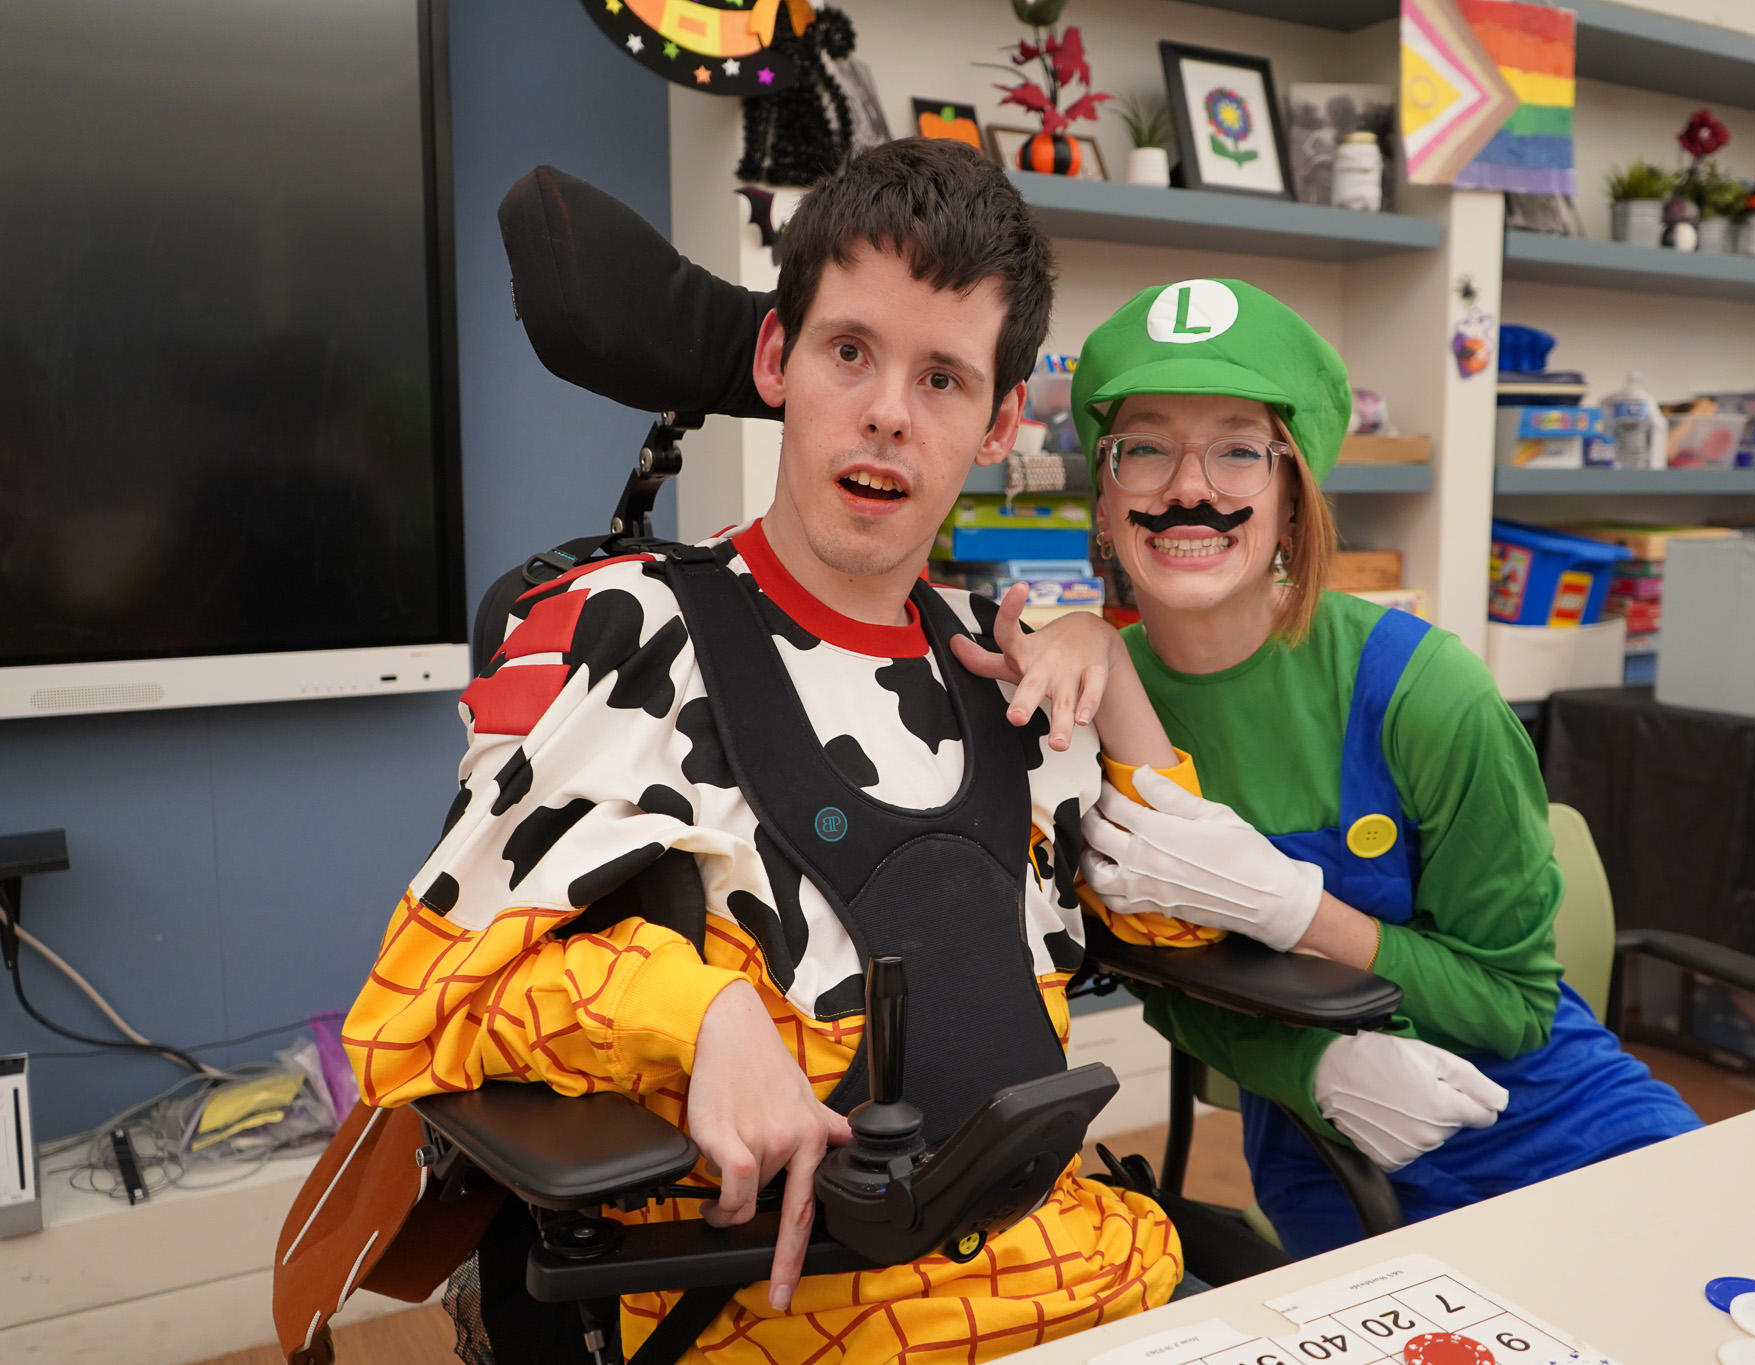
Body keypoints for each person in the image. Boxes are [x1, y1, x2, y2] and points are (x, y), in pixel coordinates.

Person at [339, 141, 1210, 1365]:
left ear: (1002, 421)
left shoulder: (1003, 667)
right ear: (776, 361)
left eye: (945, 379)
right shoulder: (634, 632)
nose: (889, 412)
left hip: (1084, 1275)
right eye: (849, 351)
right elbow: (418, 1009)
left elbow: (1185, 925)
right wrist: (698, 1018)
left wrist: (1110, 671)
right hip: (796, 1314)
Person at [1051, 277, 1704, 1258]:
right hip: (1332, 1154)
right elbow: (1163, 978)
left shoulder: (1423, 692)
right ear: (1104, 496)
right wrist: (1315, 1065)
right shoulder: (1087, 709)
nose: (1190, 487)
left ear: (1290, 495)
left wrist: (1294, 911)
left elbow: (1515, 1005)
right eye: (1143, 447)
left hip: (1556, 1119)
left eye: (1238, 447)